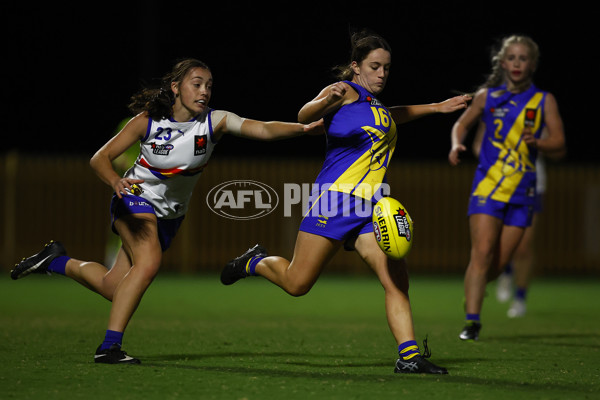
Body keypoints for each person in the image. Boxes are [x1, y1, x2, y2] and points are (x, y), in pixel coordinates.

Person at [10, 58, 322, 364]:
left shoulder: (215, 121)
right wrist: (116, 181)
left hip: (169, 218)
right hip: (134, 200)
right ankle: (109, 347)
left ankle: (55, 260)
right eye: (196, 84)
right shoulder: (147, 122)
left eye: (209, 86)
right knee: (148, 263)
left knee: (114, 287)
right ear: (176, 87)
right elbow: (99, 159)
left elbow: (264, 129)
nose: (204, 91)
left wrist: (303, 129)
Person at [220, 30, 470, 374]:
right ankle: (255, 262)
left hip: (371, 206)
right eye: (375, 66)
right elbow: (305, 115)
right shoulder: (346, 92)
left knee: (397, 278)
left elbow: (393, 115)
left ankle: (409, 358)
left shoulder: (376, 106)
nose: (382, 73)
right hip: (333, 202)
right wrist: (325, 100)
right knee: (297, 284)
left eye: (386, 68)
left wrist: (437, 108)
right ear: (355, 66)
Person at [448, 35, 566, 340]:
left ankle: (476, 293)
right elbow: (462, 124)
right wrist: (456, 144)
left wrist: (538, 142)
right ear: (502, 63)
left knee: (499, 264)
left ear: (533, 64)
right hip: (488, 186)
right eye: (511, 58)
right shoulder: (487, 97)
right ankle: (472, 321)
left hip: (523, 189)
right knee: (482, 252)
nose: (516, 63)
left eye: (523, 58)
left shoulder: (544, 101)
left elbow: (560, 145)